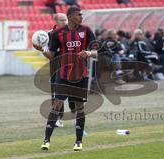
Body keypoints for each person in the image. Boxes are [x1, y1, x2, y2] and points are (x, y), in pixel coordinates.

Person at [38, 7, 97, 151]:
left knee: (79, 107)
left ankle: (78, 142)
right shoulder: (58, 33)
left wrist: (88, 52)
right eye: (79, 15)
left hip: (80, 75)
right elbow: (52, 55)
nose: (81, 17)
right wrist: (41, 50)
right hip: (63, 75)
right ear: (71, 17)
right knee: (56, 105)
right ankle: (46, 140)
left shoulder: (86, 30)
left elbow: (96, 51)